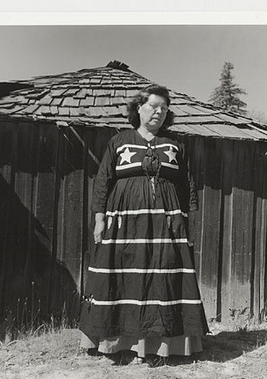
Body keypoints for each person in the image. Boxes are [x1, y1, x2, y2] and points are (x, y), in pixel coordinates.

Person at [79, 84, 209, 362]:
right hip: (124, 225)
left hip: (166, 226)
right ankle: (115, 344)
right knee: (123, 276)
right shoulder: (119, 141)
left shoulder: (175, 145)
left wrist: (190, 222)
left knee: (163, 279)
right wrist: (99, 218)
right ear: (139, 108)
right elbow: (103, 180)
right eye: (153, 106)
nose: (158, 112)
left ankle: (162, 347)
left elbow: (188, 186)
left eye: (164, 108)